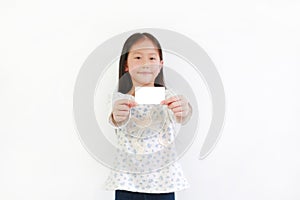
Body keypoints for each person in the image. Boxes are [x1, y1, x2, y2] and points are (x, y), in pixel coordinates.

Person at [104, 32, 192, 200]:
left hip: (163, 183)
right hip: (127, 183)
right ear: (126, 66)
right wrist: (118, 116)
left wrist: (185, 109)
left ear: (160, 65)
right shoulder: (119, 99)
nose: (145, 63)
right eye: (138, 57)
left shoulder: (169, 96)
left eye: (151, 58)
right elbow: (115, 119)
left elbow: (184, 115)